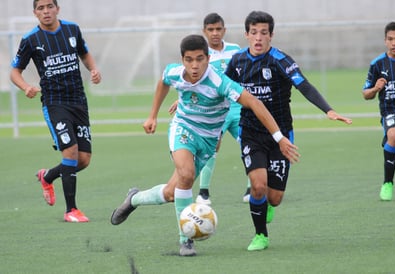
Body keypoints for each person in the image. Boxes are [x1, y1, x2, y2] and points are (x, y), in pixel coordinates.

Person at [110, 34, 300, 256]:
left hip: (208, 141)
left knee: (172, 192)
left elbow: (254, 103)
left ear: (208, 58)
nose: (194, 65)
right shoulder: (174, 72)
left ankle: (134, 199)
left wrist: (279, 137)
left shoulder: (219, 83)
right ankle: (186, 239)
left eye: (199, 59)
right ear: (182, 59)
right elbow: (163, 82)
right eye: (189, 59)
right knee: (187, 175)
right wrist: (152, 116)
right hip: (183, 129)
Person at [225, 11, 352, 251]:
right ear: (246, 34)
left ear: (271, 35)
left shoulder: (280, 60)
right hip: (250, 132)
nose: (258, 38)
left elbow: (304, 85)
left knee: (275, 197)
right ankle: (260, 234)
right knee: (258, 186)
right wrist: (191, 99)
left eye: (264, 33)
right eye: (254, 33)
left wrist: (328, 110)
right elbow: (219, 87)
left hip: (281, 136)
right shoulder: (238, 61)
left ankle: (267, 205)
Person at [10, 0, 101, 222]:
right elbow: (15, 72)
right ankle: (71, 210)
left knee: (83, 160)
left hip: (78, 100)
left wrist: (93, 69)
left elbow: (84, 53)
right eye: (40, 8)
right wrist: (26, 87)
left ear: (57, 9)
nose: (46, 11)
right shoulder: (31, 39)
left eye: (49, 6)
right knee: (70, 152)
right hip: (54, 102)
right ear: (35, 13)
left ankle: (47, 176)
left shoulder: (72, 29)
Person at [169, 13, 250, 205]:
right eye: (210, 30)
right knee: (213, 146)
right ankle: (204, 191)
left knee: (249, 143)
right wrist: (180, 100)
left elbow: (240, 78)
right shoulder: (201, 55)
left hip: (235, 107)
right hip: (211, 111)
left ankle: (251, 188)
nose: (215, 33)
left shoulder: (235, 50)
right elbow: (191, 83)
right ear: (204, 32)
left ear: (224, 30)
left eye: (218, 29)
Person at [362, 21, 395, 201]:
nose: (394, 43)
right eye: (390, 39)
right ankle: (387, 183)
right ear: (385, 41)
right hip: (392, 112)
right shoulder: (378, 64)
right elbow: (365, 94)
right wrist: (375, 89)